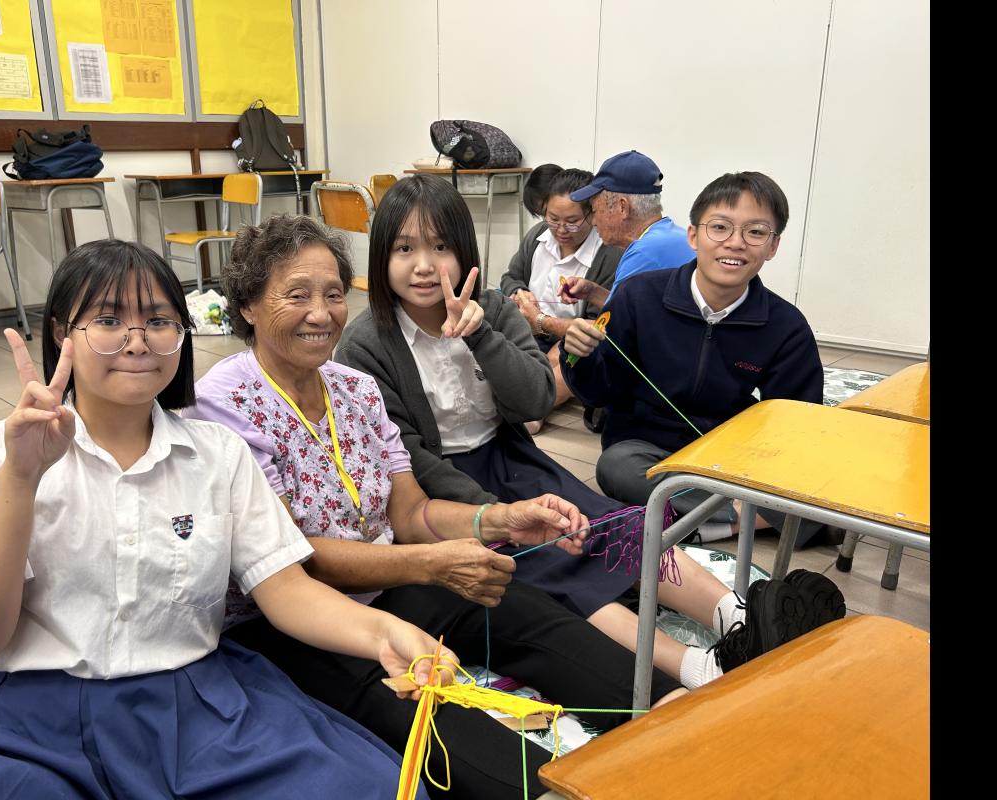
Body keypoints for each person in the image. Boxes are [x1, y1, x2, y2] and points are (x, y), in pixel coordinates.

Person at [0, 240, 454, 800]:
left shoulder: (218, 453)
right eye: (108, 320)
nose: (138, 340)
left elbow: (287, 589)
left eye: (159, 321)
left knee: (372, 787)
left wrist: (388, 633)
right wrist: (20, 479)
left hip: (195, 706)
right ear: (62, 335)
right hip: (33, 719)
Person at [183, 214, 691, 800]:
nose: (321, 313)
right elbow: (293, 563)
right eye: (296, 296)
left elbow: (409, 514)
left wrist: (499, 520)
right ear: (247, 306)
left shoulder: (353, 388)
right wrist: (430, 563)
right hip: (293, 620)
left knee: (525, 609)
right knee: (412, 703)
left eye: (333, 294)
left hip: (386, 582)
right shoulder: (223, 404)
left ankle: (675, 714)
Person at [337, 173, 841, 696]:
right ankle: (698, 667)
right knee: (554, 565)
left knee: (614, 525)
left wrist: (481, 334)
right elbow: (406, 459)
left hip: (515, 459)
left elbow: (535, 400)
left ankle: (741, 615)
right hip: (442, 489)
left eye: (441, 246)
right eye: (404, 248)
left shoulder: (493, 308)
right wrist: (495, 510)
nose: (424, 265)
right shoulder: (366, 344)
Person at [561, 171, 829, 549]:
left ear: (773, 246)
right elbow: (598, 392)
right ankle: (750, 519)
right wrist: (578, 354)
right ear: (693, 236)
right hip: (647, 453)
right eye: (719, 227)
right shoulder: (638, 296)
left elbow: (796, 424)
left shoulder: (786, 325)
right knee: (616, 467)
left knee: (826, 474)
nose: (735, 243)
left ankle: (698, 523)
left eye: (755, 232)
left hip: (731, 461)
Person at [499, 167, 623, 431]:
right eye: (553, 219)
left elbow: (597, 325)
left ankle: (534, 409)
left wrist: (542, 321)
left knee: (570, 351)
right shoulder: (538, 237)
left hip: (568, 335)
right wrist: (520, 292)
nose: (561, 230)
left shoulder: (608, 254)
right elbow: (511, 276)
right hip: (528, 328)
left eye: (572, 221)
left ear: (592, 214)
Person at [560, 150, 695, 308]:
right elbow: (628, 310)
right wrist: (592, 292)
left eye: (595, 211)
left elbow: (615, 321)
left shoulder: (643, 253)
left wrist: (541, 319)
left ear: (622, 207)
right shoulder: (672, 236)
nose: (594, 222)